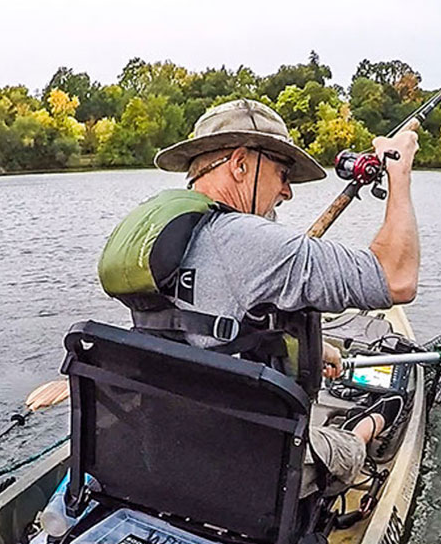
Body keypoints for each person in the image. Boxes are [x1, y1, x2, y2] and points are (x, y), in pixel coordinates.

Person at [101, 98, 420, 492]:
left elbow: (205, 332)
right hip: (245, 470)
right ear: (239, 164)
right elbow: (397, 278)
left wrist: (315, 351)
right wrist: (400, 173)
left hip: (163, 444)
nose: (287, 191)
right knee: (348, 447)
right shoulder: (252, 243)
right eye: (281, 173)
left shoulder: (161, 236)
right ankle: (366, 425)